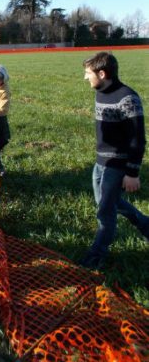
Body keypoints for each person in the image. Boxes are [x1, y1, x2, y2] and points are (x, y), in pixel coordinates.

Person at [80, 51, 148, 269]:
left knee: (105, 213)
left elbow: (138, 139)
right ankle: (146, 225)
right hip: (100, 163)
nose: (85, 78)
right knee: (109, 203)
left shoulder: (127, 98)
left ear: (102, 73)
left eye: (88, 73)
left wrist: (132, 172)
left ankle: (95, 257)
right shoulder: (101, 91)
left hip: (117, 167)